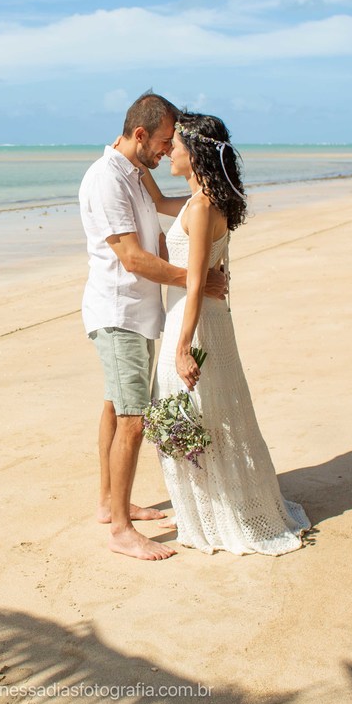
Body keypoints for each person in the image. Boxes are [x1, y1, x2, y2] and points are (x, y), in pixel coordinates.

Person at [150, 112, 311, 555]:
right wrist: (127, 151)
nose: (169, 152)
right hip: (208, 318)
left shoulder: (202, 208)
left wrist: (182, 347)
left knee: (194, 412)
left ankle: (218, 514)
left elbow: (198, 280)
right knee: (210, 411)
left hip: (194, 321)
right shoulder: (202, 201)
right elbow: (158, 198)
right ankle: (223, 503)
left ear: (195, 153)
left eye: (175, 146)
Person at [79, 91, 227, 561]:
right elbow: (133, 257)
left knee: (114, 405)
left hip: (140, 314)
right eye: (164, 141)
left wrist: (212, 198)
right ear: (139, 135)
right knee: (132, 419)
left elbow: (161, 225)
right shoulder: (106, 180)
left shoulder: (135, 173)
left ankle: (108, 503)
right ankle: (121, 531)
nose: (168, 150)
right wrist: (199, 280)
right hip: (118, 312)